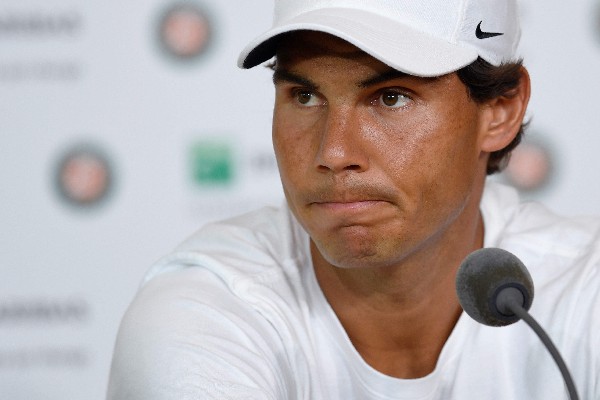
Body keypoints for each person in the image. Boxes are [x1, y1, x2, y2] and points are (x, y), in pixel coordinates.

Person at [107, 0, 600, 399]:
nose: (333, 152)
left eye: (391, 97)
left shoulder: (585, 294)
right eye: (305, 96)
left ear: (499, 112)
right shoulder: (208, 308)